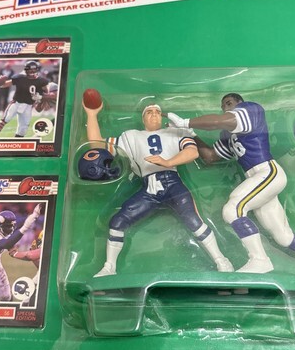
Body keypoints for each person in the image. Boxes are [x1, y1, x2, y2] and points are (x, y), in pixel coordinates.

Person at [167, 93, 295, 282]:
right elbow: (210, 157)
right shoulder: (229, 134)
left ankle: (259, 259)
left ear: (240, 103)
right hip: (258, 179)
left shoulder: (250, 110)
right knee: (283, 237)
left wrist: (185, 122)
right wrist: (189, 134)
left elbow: (219, 121)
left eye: (229, 103)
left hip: (267, 172)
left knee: (233, 209)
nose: (226, 108)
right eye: (223, 106)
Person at [83, 101, 234, 277]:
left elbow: (192, 152)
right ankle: (109, 267)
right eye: (149, 112)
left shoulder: (175, 132)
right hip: (149, 187)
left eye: (157, 112)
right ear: (143, 118)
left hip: (172, 183)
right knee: (117, 222)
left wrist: (168, 162)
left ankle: (221, 260)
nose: (154, 114)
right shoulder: (130, 136)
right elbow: (97, 145)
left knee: (194, 221)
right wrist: (92, 115)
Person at [0, 60, 58, 138]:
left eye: (34, 70)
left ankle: (17, 143)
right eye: (30, 70)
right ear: (26, 70)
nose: (32, 72)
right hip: (16, 103)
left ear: (37, 70)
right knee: (5, 120)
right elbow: (5, 85)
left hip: (28, 106)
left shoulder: (41, 81)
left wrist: (41, 99)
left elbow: (45, 92)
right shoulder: (20, 77)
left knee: (23, 128)